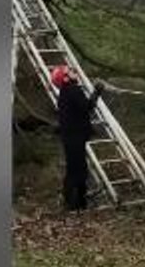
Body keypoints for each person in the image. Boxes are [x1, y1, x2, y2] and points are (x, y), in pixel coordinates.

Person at [52, 65, 104, 211]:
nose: (75, 72)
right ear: (66, 78)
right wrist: (97, 91)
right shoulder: (73, 90)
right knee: (78, 170)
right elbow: (87, 107)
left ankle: (76, 202)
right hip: (74, 137)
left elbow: (74, 114)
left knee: (74, 169)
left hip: (71, 136)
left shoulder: (65, 91)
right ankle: (76, 204)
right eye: (71, 72)